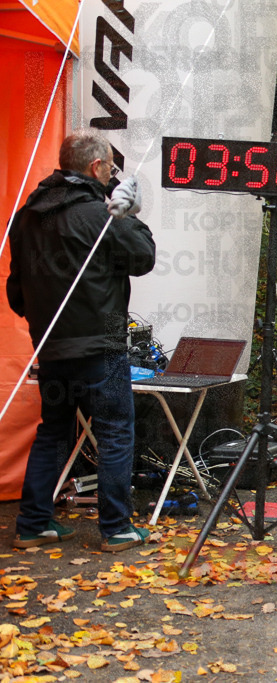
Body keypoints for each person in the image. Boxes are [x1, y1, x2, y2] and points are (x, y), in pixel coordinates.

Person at [6, 128, 156, 551]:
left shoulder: (27, 215)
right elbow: (143, 258)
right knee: (114, 433)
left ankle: (33, 524)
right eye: (110, 166)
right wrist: (128, 213)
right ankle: (117, 528)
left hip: (51, 344)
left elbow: (16, 292)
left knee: (52, 432)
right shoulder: (98, 213)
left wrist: (43, 323)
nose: (113, 173)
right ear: (97, 167)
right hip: (102, 343)